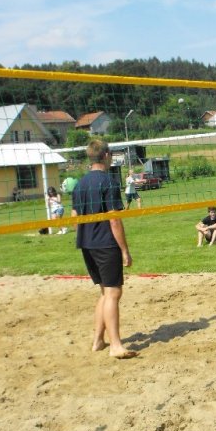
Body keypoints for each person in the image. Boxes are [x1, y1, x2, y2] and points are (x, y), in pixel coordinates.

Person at [71, 139, 136, 359]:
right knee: (114, 292)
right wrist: (125, 250)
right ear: (106, 155)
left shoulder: (79, 184)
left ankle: (98, 340)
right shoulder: (108, 182)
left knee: (105, 292)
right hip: (105, 244)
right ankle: (116, 345)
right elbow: (114, 220)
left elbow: (73, 219)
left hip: (86, 244)